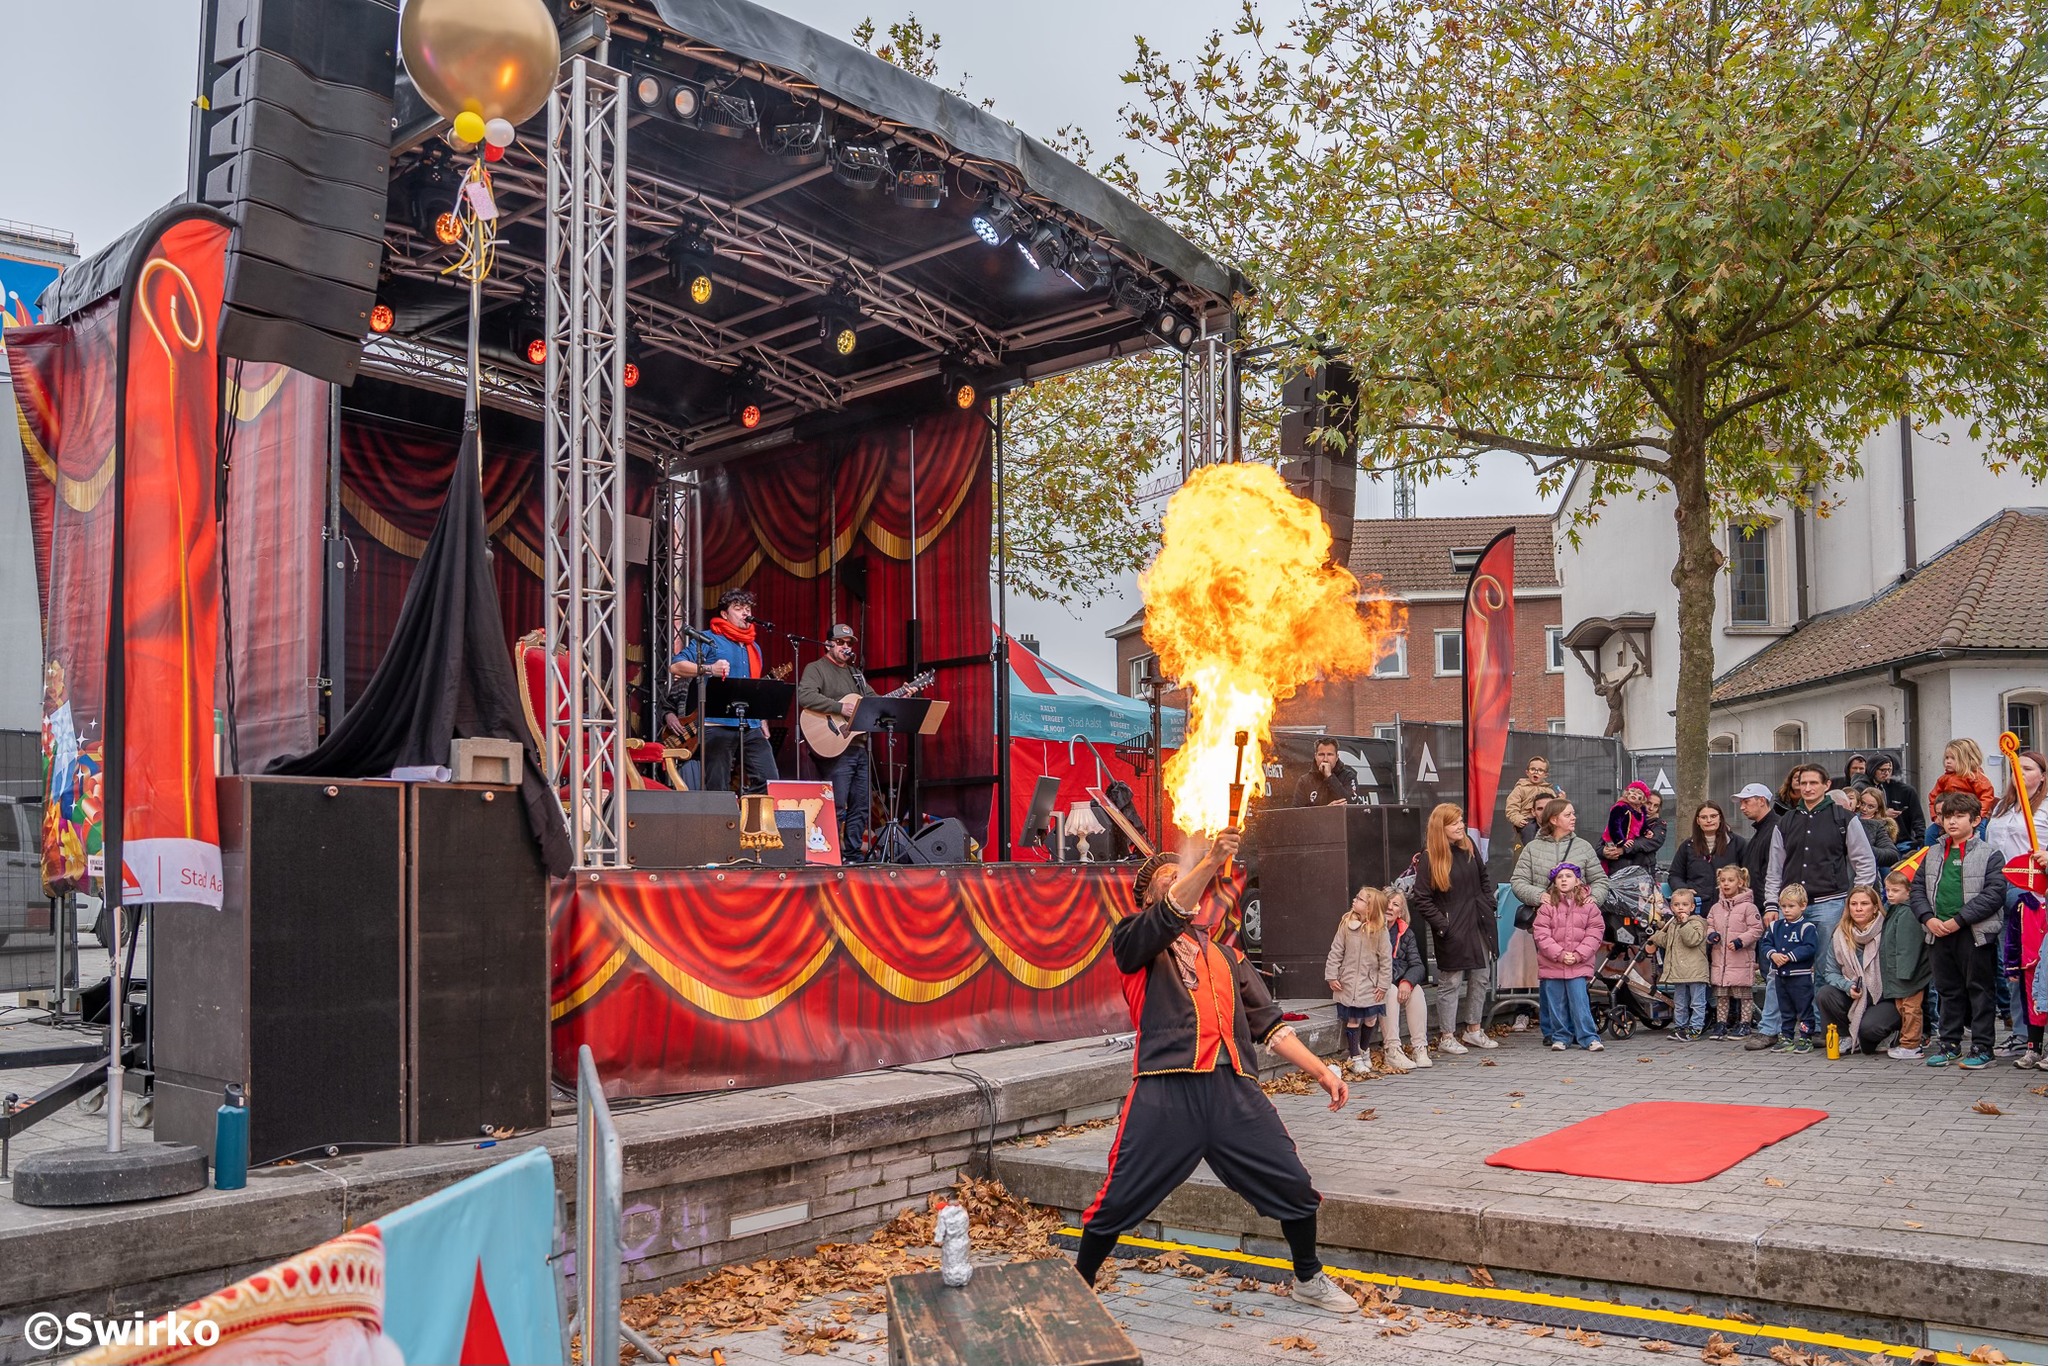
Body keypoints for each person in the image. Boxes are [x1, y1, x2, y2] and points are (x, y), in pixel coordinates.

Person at [1073, 832, 1361, 1316]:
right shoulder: (1135, 941)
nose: (1182, 883)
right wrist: (1208, 861)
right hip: (1167, 1091)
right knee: (1116, 1199)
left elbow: (1270, 1025)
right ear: (1149, 899)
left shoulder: (1228, 956)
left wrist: (1321, 1072)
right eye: (1169, 880)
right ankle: (1078, 1285)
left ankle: (1308, 1279)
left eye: (1185, 876)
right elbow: (1168, 913)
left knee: (1293, 1183)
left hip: (1233, 1092)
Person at [1762, 762, 1877, 1016]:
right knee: (1777, 969)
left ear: (1826, 786)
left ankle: (1817, 1025)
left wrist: (1856, 901)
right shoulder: (1785, 821)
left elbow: (1865, 863)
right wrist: (1771, 904)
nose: (1808, 788)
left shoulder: (1843, 818)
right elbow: (1775, 869)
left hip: (1831, 903)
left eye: (1814, 783)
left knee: (1825, 969)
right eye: (1803, 783)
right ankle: (1771, 1028)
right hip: (1790, 908)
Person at [1911, 791, 2009, 1069]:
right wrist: (1928, 918)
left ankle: (1982, 1046)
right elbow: (1917, 889)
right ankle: (1950, 1043)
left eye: (1959, 816)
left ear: (1976, 820)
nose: (1951, 822)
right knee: (1947, 990)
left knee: (1979, 990)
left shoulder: (1990, 854)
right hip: (1938, 933)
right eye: (1946, 816)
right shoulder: (1932, 853)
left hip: (1974, 934)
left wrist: (1959, 920)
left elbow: (1994, 894)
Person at [1409, 803, 1499, 1054]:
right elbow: (1421, 898)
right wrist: (1443, 925)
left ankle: (1473, 1030)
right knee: (1452, 981)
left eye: (1461, 820)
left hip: (1479, 920)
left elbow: (1483, 877)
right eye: (1454, 822)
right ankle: (1446, 1036)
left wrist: (1488, 903)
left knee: (1481, 977)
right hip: (1453, 927)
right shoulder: (1430, 857)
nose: (1461, 825)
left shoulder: (1468, 845)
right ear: (1441, 827)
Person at [670, 588, 780, 794]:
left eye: (747, 608)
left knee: (770, 781)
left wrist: (762, 717)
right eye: (738, 609)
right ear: (724, 614)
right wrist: (709, 669)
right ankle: (720, 824)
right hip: (717, 722)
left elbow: (753, 687)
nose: (745, 613)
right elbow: (676, 666)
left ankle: (749, 819)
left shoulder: (754, 647)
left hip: (750, 722)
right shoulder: (708, 640)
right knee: (717, 786)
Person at [1987, 748, 2047, 1068]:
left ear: (2042, 775)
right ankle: (2021, 1033)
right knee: (2012, 965)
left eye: (2027, 768)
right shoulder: (2001, 806)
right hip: (2003, 887)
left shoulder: (2046, 807)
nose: (2020, 773)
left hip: (2034, 892)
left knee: (2036, 965)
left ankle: (2039, 1034)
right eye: (2016, 768)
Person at [796, 624, 877, 856]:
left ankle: (852, 855)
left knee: (861, 806)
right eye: (840, 642)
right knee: (837, 804)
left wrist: (902, 694)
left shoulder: (856, 675)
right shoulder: (817, 668)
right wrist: (840, 707)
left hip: (859, 747)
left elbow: (873, 701)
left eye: (849, 643)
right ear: (828, 644)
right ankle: (829, 853)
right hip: (834, 747)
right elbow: (805, 695)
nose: (845, 647)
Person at [1817, 886, 1899, 1056]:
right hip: (1856, 995)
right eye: (1853, 904)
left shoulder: (1888, 929)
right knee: (1825, 993)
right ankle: (1845, 1036)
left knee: (1869, 1032)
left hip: (1884, 997)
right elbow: (1830, 972)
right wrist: (1847, 986)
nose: (1858, 908)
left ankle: (1892, 1031)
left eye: (1864, 903)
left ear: (1875, 907)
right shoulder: (1840, 934)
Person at [1533, 863, 1604, 1051]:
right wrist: (1560, 954)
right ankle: (1560, 1037)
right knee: (1556, 1003)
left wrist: (1579, 955)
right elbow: (1541, 934)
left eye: (1568, 876)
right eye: (1560, 877)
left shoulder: (1589, 907)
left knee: (1579, 1001)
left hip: (1578, 964)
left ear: (1578, 881)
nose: (1564, 879)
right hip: (1553, 963)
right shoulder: (1547, 907)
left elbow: (1595, 932)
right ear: (1555, 883)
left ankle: (1588, 1037)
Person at [1326, 886, 1393, 1078]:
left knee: (1371, 1018)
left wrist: (1383, 985)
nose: (1355, 900)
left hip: (1370, 985)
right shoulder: (1347, 924)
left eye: (1360, 899)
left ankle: (1364, 1049)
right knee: (1354, 1019)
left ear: (1370, 907)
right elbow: (1336, 951)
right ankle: (1354, 1057)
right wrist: (1332, 975)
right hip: (1348, 983)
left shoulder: (1380, 931)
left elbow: (1386, 960)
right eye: (1356, 897)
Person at [1511, 799, 1610, 915]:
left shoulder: (1584, 847)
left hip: (1578, 920)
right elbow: (1518, 881)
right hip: (1544, 919)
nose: (1574, 818)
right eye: (1568, 815)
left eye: (1573, 813)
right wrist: (1539, 896)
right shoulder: (1532, 848)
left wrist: (1594, 898)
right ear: (1554, 820)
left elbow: (1600, 880)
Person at [1759, 883, 1821, 1053]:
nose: (1786, 910)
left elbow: (1810, 947)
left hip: (1800, 976)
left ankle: (1805, 1037)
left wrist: (1790, 956)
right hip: (1781, 975)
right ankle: (1786, 1037)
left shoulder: (1807, 927)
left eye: (1791, 906)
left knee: (1804, 1008)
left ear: (1803, 906)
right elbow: (1765, 944)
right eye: (1783, 906)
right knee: (1785, 1008)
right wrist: (1773, 954)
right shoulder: (1775, 926)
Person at [1879, 868, 1933, 1060]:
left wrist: (1905, 972)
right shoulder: (1897, 910)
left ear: (1908, 891)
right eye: (1887, 890)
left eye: (1895, 890)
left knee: (1911, 1008)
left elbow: (1908, 946)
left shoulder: (1908, 913)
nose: (1889, 894)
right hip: (1900, 972)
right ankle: (1907, 1041)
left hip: (1908, 973)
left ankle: (1911, 1045)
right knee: (1904, 1008)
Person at [1705, 865, 1763, 1040]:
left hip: (1740, 959)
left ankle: (1745, 1023)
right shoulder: (1716, 908)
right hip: (1721, 960)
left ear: (1740, 882)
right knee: (1722, 994)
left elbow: (1756, 929)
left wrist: (1740, 941)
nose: (1726, 884)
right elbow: (1709, 925)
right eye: (1722, 881)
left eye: (1730, 880)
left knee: (1743, 994)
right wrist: (1711, 935)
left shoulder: (1748, 907)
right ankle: (1721, 1023)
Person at [1381, 889, 1430, 1072]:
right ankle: (1392, 1050)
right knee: (1391, 991)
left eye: (1395, 904)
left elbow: (1417, 965)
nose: (1389, 907)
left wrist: (1407, 982)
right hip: (1376, 985)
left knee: (1415, 990)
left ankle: (1420, 1047)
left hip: (1396, 981)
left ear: (1401, 912)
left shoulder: (1406, 933)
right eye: (1387, 902)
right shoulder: (1371, 928)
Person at [1651, 888, 1710, 1040]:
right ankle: (1680, 1026)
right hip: (1679, 972)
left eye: (1684, 904)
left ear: (1692, 907)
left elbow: (1692, 940)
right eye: (1676, 905)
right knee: (1680, 1003)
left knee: (1697, 1003)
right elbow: (1667, 943)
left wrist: (1684, 924)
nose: (1680, 908)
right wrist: (1656, 935)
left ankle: (1695, 1028)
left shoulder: (1697, 923)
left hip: (1695, 971)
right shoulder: (1672, 924)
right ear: (1671, 907)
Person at [1668, 800, 1746, 904]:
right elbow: (1675, 875)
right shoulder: (1687, 846)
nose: (1709, 820)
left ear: (1720, 818)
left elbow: (1747, 873)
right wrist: (1684, 890)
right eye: (1704, 817)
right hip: (1697, 906)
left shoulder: (1737, 843)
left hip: (1731, 906)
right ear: (1698, 821)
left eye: (1713, 816)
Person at [1926, 738, 1997, 834]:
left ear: (1967, 760)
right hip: (1950, 816)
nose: (1948, 761)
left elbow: (1987, 797)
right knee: (1931, 832)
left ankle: (1980, 848)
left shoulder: (1976, 777)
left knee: (1979, 832)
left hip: (1972, 816)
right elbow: (1934, 797)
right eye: (1947, 758)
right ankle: (1931, 849)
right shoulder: (1943, 779)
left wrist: (1978, 814)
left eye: (1953, 758)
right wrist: (1936, 816)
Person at [1870, 754, 1925, 847]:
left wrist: (1920, 838)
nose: (1886, 773)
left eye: (1888, 769)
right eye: (1882, 770)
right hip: (1879, 841)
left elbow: (1918, 817)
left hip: (1903, 842)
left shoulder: (1907, 791)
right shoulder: (1873, 789)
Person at [1504, 757, 1562, 843]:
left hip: (1545, 819)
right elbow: (1511, 808)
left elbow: (1554, 807)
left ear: (1545, 775)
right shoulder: (1520, 789)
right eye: (1533, 769)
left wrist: (1560, 800)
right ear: (1527, 772)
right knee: (1530, 829)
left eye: (1540, 770)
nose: (1536, 772)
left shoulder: (1549, 790)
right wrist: (1518, 819)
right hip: (1527, 820)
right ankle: (1530, 849)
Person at [1600, 781, 1652, 873]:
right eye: (1632, 791)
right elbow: (1614, 827)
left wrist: (1646, 831)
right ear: (1627, 793)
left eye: (1639, 793)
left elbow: (1642, 825)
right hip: (1614, 843)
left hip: (1630, 847)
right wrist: (1622, 841)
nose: (1634, 794)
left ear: (1643, 799)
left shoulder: (1641, 810)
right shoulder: (1620, 807)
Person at [1293, 738, 1361, 808]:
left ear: (1337, 757)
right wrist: (1326, 811)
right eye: (1321, 754)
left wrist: (1330, 777)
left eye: (1330, 754)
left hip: (1340, 819)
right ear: (1315, 756)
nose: (1325, 759)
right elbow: (1297, 813)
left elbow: (1351, 804)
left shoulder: (1348, 776)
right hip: (1317, 819)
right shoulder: (1304, 781)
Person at [1854, 786, 1900, 875]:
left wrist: (1866, 849)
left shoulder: (1881, 826)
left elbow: (1892, 855)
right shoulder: (1850, 818)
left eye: (1870, 806)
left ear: (1877, 809)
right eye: (1862, 803)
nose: (1864, 809)